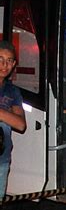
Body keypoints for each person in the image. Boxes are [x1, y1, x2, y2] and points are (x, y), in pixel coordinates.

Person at [0, 41, 26, 199]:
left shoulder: (12, 91)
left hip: (2, 158)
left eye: (9, 60)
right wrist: (8, 114)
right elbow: (14, 120)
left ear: (14, 64)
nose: (5, 65)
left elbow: (21, 124)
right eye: (0, 59)